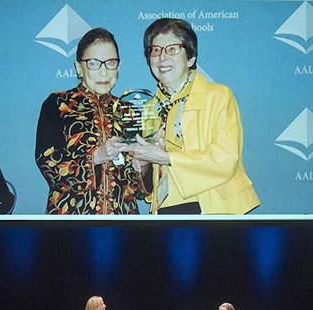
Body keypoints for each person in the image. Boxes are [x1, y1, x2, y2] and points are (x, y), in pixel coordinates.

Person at [128, 18, 260, 215]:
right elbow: (150, 186)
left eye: (172, 49)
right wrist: (145, 166)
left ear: (190, 58)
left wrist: (167, 157)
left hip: (213, 207)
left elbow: (225, 160)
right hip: (165, 210)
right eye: (155, 50)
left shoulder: (218, 96)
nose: (162, 58)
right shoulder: (150, 108)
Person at [36, 28, 150, 214]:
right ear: (79, 68)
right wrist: (96, 157)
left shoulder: (128, 112)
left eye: (110, 63)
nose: (104, 73)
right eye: (94, 63)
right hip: (71, 223)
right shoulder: (59, 104)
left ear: (118, 67)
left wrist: (144, 166)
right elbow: (49, 165)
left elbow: (137, 191)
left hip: (122, 224)